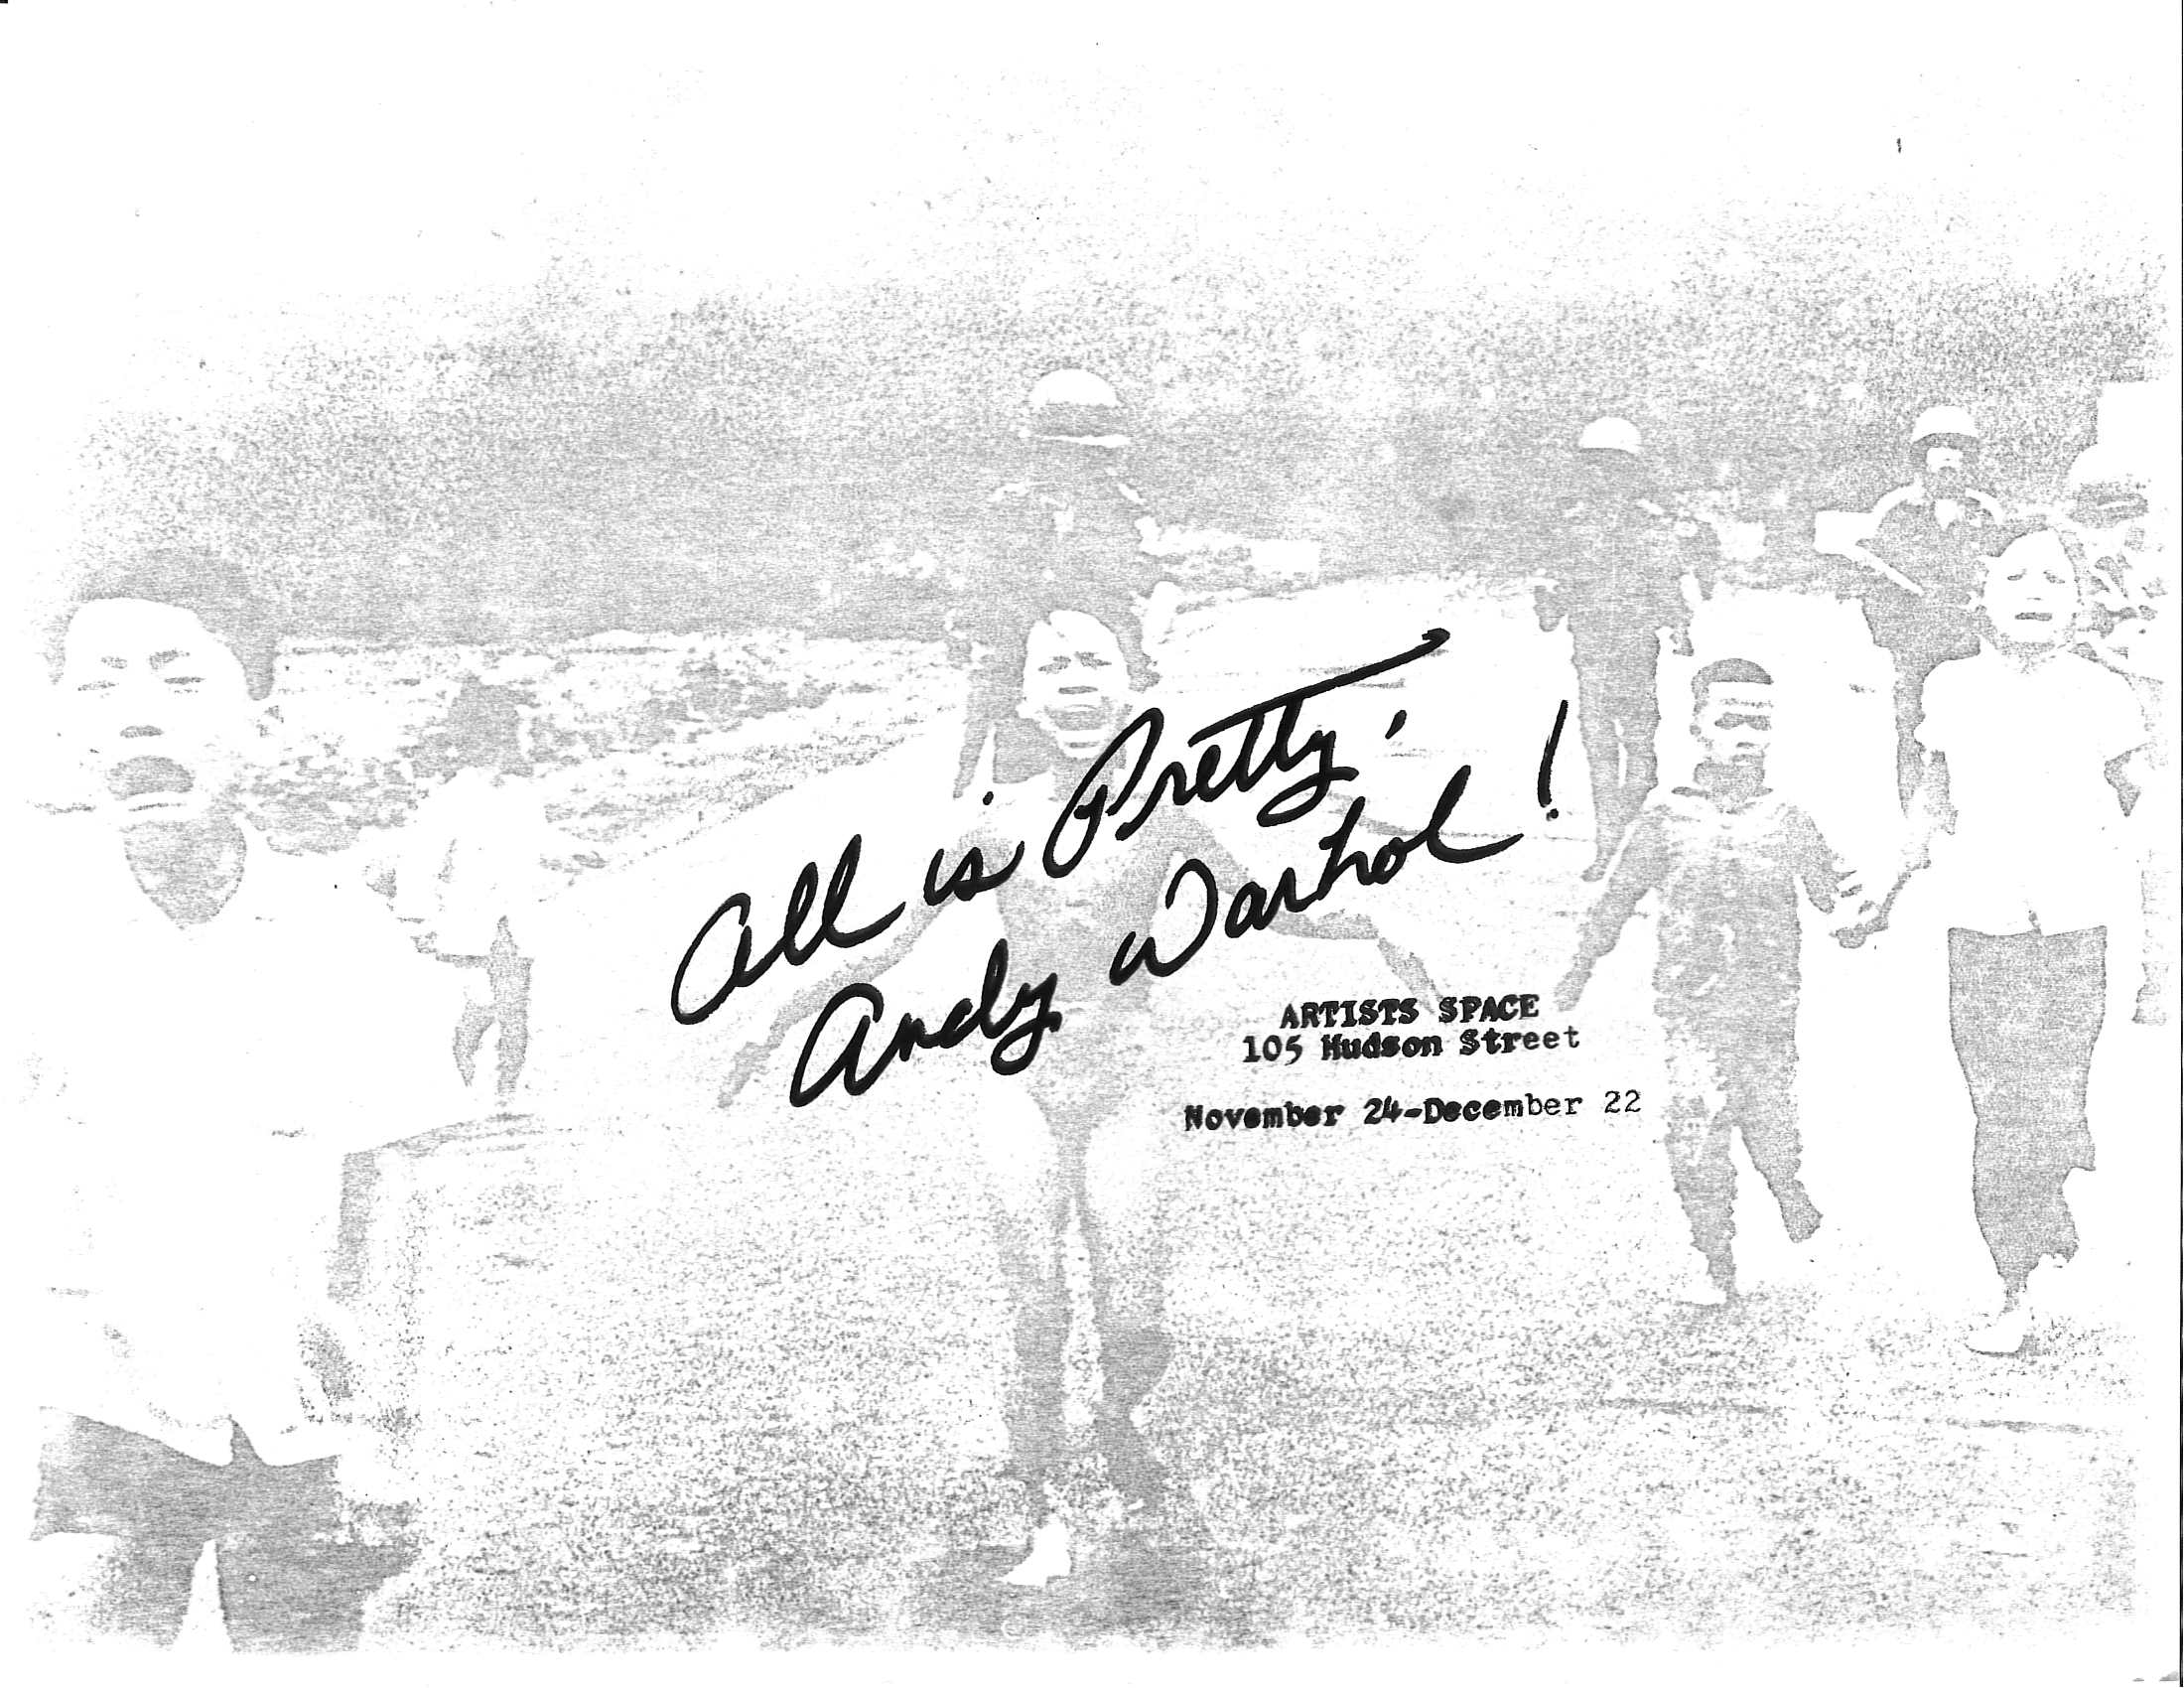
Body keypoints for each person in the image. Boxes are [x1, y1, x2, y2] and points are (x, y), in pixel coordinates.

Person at [715, 592, 1435, 1587]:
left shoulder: (1170, 809)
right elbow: (880, 940)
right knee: (1038, 1309)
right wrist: (769, 1019)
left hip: (1122, 1076)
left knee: (1133, 1318)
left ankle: (1118, 1416)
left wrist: (1378, 929)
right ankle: (1042, 1509)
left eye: (1094, 661)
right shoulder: (994, 820)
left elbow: (1273, 902)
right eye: (1052, 666)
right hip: (1020, 1077)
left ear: (1135, 684)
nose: (1075, 681)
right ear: (1022, 696)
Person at [21, 553, 469, 1648]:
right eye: (98, 685)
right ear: (62, 730)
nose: (137, 717)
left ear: (257, 723)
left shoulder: (340, 936)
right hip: (90, 1405)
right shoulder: (28, 934)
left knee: (302, 1649)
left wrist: (386, 1432)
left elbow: (394, 1199)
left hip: (294, 1405)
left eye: (179, 682)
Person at [1885, 528, 2156, 1355]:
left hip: (2076, 929)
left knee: (2053, 1103)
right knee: (1998, 1106)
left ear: (2080, 604)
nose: (2034, 587)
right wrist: (1883, 892)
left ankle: (2049, 1199)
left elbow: (2148, 798)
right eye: (2016, 574)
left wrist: (2157, 917)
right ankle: (2013, 1287)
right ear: (1985, 594)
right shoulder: (1952, 686)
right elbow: (1932, 806)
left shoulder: (2105, 695)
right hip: (1982, 926)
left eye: (2054, 577)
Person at [1555, 659, 1879, 1306]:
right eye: (1729, 721)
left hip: (1766, 1008)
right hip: (1691, 1008)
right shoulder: (1664, 816)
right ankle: (1716, 1259)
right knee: (1695, 1127)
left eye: (1759, 723)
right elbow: (1615, 898)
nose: (1745, 737)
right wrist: (1578, 971)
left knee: (1771, 1124)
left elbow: (1834, 889)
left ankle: (1787, 1187)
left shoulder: (1788, 818)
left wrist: (1856, 912)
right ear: (1697, 728)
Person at [947, 369, 1180, 799]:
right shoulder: (1008, 508)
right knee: (1003, 758)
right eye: (1061, 454)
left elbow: (1162, 581)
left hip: (1099, 647)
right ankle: (977, 819)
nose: (1078, 466)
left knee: (1109, 764)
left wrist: (1145, 644)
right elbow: (977, 583)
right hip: (1021, 652)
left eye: (1091, 456)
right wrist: (975, 638)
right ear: (1038, 451)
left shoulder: (1122, 509)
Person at [385, 678, 601, 1115]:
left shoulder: (522, 796)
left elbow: (540, 840)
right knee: (480, 1007)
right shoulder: (452, 799)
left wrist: (579, 850)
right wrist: (418, 920)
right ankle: (460, 1084)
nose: (527, 740)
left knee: (516, 1016)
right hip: (467, 926)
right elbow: (419, 862)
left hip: (515, 925)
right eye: (518, 732)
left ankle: (505, 1096)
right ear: (494, 737)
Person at [1532, 416, 1700, 882]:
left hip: (1635, 646)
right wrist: (1547, 603)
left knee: (1641, 750)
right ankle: (1609, 846)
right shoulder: (1572, 524)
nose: (1604, 475)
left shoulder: (1650, 523)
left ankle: (1637, 842)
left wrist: (1681, 627)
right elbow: (1555, 586)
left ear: (1630, 470)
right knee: (1600, 749)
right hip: (1590, 648)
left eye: (1614, 466)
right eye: (1595, 465)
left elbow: (1667, 579)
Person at [1848, 405, 2009, 806]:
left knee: (1971, 726)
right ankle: (1916, 820)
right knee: (1914, 731)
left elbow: (2002, 576)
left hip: (1969, 643)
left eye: (1958, 448)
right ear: (1921, 457)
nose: (1949, 456)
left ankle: (1965, 814)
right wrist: (1896, 631)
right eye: (1938, 447)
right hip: (1914, 644)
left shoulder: (1985, 512)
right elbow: (1874, 585)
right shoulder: (1896, 510)